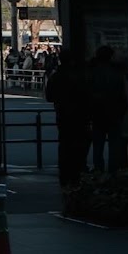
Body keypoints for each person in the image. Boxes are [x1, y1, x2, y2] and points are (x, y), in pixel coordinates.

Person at [44, 49, 91, 188]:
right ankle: (77, 170)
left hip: (62, 113)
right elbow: (86, 94)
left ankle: (65, 171)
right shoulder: (79, 76)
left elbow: (49, 96)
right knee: (80, 142)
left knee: (64, 143)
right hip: (79, 114)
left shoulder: (56, 76)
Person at [88, 46, 128, 172]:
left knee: (98, 145)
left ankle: (99, 169)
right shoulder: (118, 73)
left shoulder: (92, 72)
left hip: (97, 114)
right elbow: (124, 95)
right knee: (114, 144)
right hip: (115, 113)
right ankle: (113, 170)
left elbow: (88, 94)